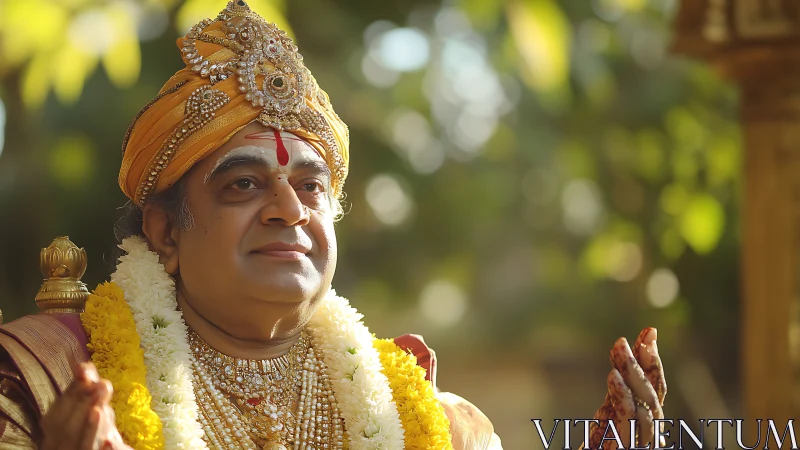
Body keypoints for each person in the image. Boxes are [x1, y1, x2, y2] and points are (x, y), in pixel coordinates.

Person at [0, 2, 666, 449]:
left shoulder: (429, 420)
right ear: (167, 233)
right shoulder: (46, 381)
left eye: (311, 186)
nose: (290, 209)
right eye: (243, 183)